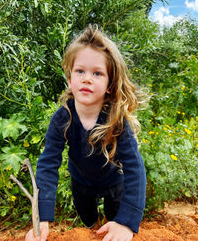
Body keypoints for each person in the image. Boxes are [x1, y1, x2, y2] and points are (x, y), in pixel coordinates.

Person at [26, 25, 146, 241]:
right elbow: (48, 163)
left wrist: (126, 223)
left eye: (97, 73)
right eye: (80, 71)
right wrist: (41, 217)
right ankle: (92, 224)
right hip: (81, 181)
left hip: (113, 181)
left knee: (115, 218)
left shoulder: (115, 120)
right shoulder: (62, 119)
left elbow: (135, 168)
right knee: (88, 220)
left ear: (110, 84)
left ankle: (113, 221)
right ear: (70, 79)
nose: (87, 78)